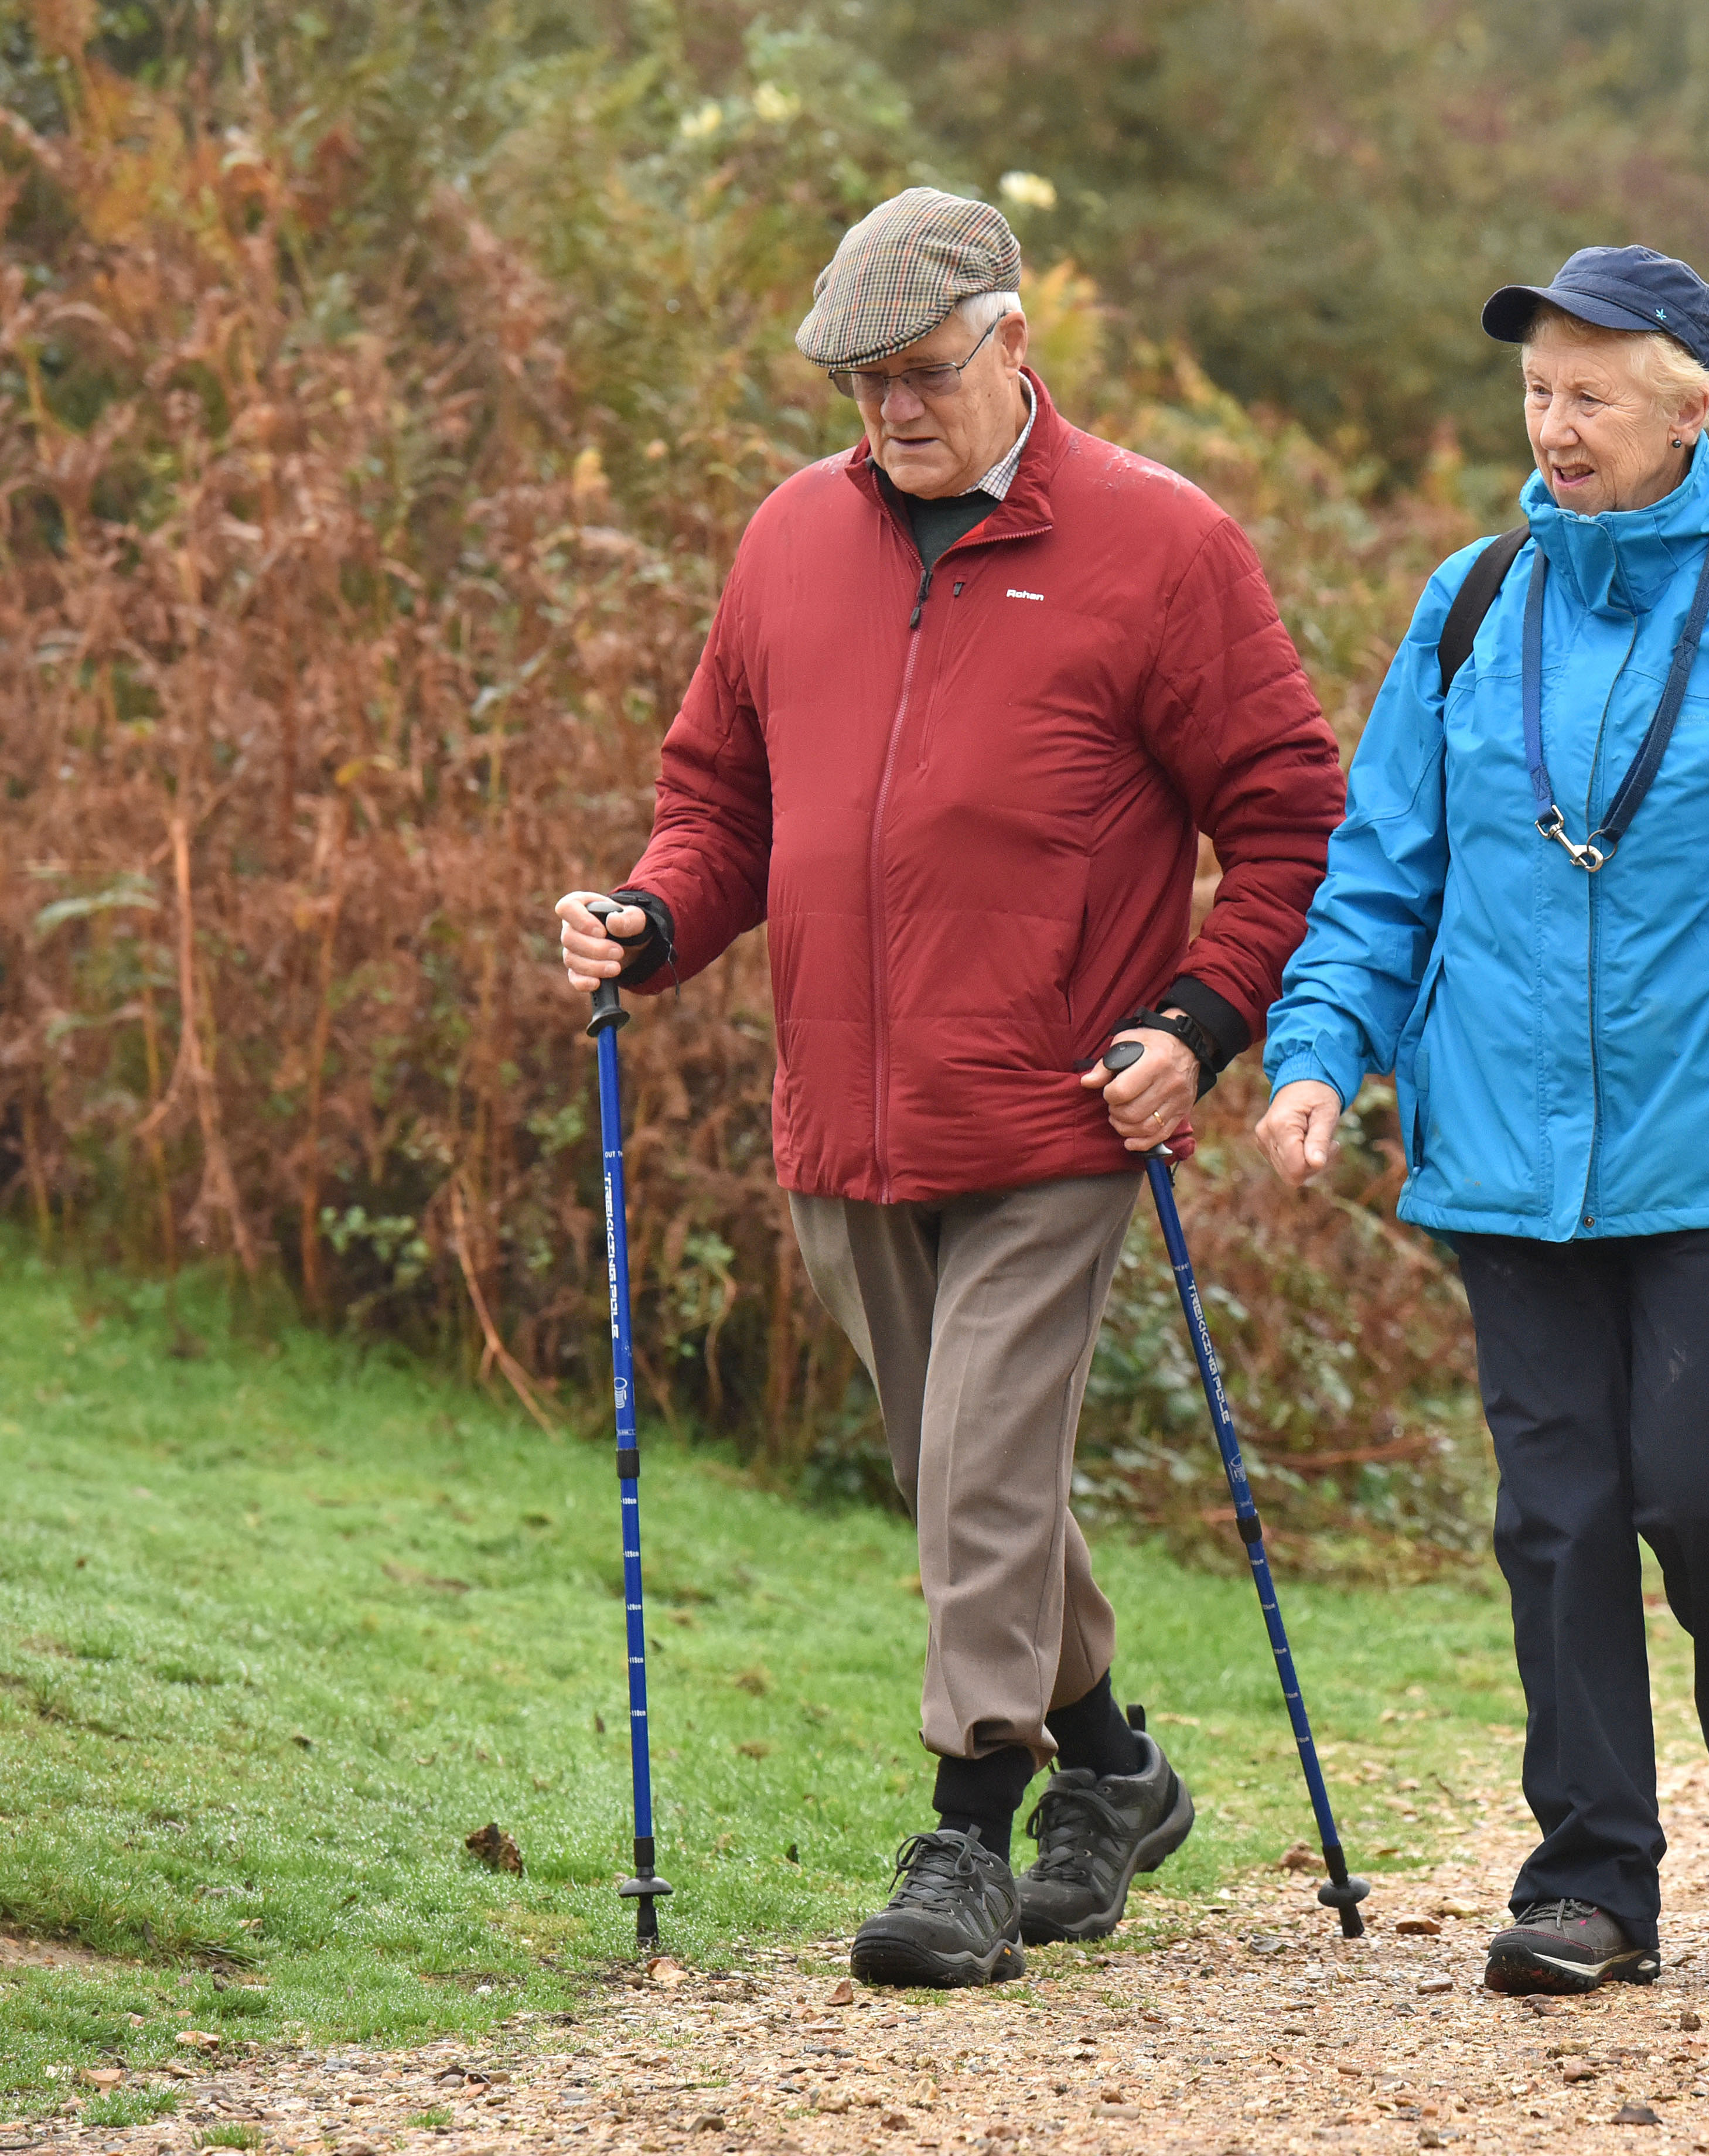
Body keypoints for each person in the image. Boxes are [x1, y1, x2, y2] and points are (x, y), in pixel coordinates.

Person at [552, 187, 1346, 1986]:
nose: (891, 414)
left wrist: (1205, 1020)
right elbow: (722, 806)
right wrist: (653, 912)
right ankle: (1122, 1773)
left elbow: (1294, 820)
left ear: (1011, 344)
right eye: (859, 385)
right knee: (965, 1482)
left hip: (1065, 1109)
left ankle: (966, 1837)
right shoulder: (789, 543)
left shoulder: (1163, 545)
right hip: (844, 1118)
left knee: (980, 1464)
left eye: (920, 374)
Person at [1254, 245, 1709, 1995]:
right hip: (1504, 1139)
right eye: (1536, 394)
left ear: (1689, 406)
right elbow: (1384, 869)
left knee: (1708, 1486)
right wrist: (1319, 1051)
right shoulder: (1473, 602)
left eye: (1590, 394)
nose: (1554, 428)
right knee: (1557, 1513)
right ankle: (1590, 1882)